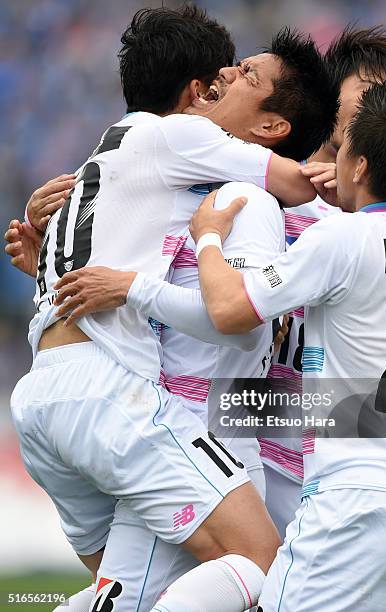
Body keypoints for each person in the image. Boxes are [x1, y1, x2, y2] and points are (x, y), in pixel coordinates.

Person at [7, 6, 339, 611]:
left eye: (243, 74)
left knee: (123, 594)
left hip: (117, 402)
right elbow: (241, 326)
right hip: (146, 408)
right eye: (226, 71)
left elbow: (242, 321)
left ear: (273, 126)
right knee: (262, 568)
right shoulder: (207, 186)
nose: (227, 78)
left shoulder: (228, 195)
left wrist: (118, 281)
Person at [184, 80, 386, 611]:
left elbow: (229, 309)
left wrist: (209, 236)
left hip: (364, 502)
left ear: (358, 166)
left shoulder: (343, 239)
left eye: (342, 149)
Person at [261, 24, 386, 539]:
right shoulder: (264, 194)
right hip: (256, 451)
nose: (377, 115)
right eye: (366, 96)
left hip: (349, 473)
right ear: (330, 102)